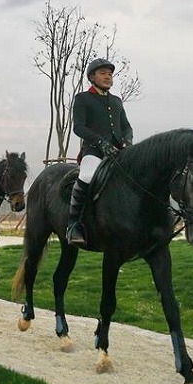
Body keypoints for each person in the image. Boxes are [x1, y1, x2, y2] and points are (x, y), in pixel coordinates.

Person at [66, 59, 133, 247]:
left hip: (119, 153)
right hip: (94, 151)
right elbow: (78, 127)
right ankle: (74, 225)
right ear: (92, 77)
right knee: (87, 176)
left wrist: (128, 142)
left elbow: (126, 127)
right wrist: (100, 142)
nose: (107, 76)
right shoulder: (82, 98)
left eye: (110, 74)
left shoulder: (116, 101)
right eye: (103, 73)